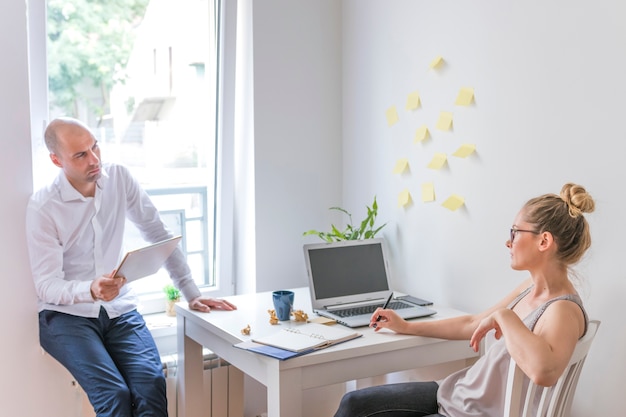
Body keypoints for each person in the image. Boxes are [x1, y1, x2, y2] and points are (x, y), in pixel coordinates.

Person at [26, 117, 237, 417]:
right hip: (64, 317)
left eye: (95, 147)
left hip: (119, 309)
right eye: (81, 155)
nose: (94, 159)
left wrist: (191, 292)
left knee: (151, 385)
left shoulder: (119, 178)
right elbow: (46, 284)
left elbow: (158, 234)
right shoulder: (43, 207)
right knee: (115, 396)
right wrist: (90, 288)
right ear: (56, 160)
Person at [333, 183, 595, 417]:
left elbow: (544, 372)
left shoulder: (562, 310)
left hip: (470, 411)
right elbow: (473, 323)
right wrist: (407, 326)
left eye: (515, 232)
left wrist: (504, 316)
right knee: (354, 403)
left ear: (544, 241)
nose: (508, 241)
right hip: (457, 394)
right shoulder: (529, 288)